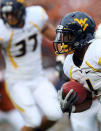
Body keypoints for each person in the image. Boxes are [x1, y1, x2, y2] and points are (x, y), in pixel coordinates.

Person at [0, 0, 62, 131]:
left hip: (38, 78)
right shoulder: (2, 29)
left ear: (23, 11)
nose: (9, 17)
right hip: (17, 82)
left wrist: (65, 49)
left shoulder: (36, 15)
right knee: (33, 121)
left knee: (55, 114)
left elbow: (51, 33)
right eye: (7, 13)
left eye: (13, 13)